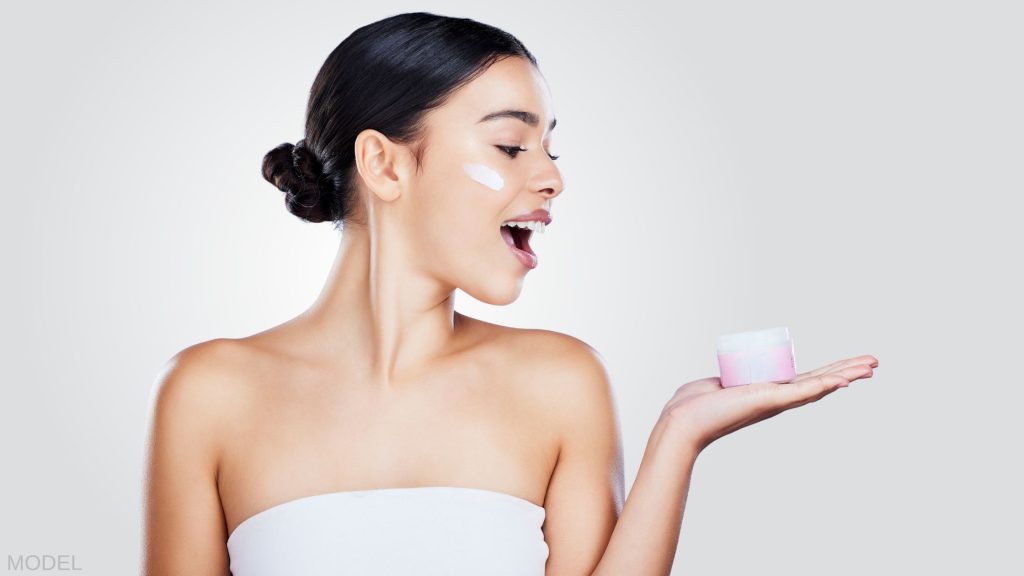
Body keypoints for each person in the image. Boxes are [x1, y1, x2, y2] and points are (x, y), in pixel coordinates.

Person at [141, 11, 878, 576]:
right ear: (385, 165)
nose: (552, 177)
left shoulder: (561, 382)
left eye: (551, 148)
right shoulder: (209, 393)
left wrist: (679, 438)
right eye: (510, 145)